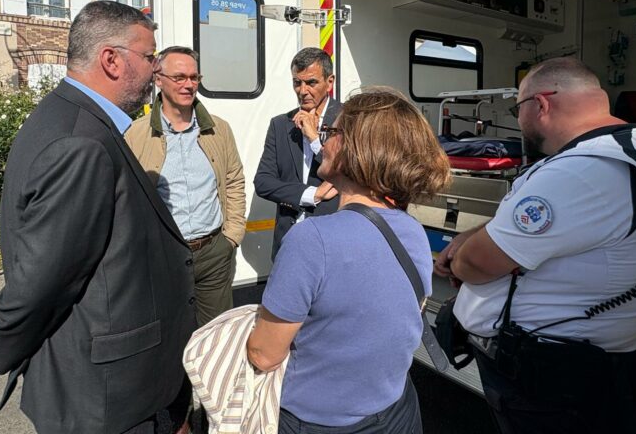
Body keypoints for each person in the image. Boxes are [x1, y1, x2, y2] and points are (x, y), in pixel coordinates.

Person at [0, 1, 197, 434]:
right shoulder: (81, 142)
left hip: (109, 385)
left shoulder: (70, 117)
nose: (155, 70)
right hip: (105, 397)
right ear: (111, 60)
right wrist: (3, 342)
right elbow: (45, 278)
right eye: (150, 56)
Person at [434, 57, 636, 434]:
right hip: (595, 366)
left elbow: (476, 264)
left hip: (553, 380)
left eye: (518, 109)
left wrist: (460, 259)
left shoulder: (581, 170)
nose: (518, 120)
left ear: (540, 105)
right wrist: (469, 238)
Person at [247, 88, 451, 433]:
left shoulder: (311, 239)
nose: (322, 142)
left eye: (330, 133)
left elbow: (264, 355)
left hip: (318, 420)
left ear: (359, 149)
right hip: (396, 410)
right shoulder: (414, 231)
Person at [126, 45, 246, 434]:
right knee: (172, 346)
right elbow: (128, 199)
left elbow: (233, 182)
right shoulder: (138, 134)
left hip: (213, 251)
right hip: (165, 258)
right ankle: (179, 421)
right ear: (158, 80)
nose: (189, 85)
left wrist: (231, 236)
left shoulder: (218, 129)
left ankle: (219, 420)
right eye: (179, 77)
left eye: (194, 77)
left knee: (220, 344)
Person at [254, 47, 342, 260]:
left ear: (329, 82)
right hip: (289, 241)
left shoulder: (349, 119)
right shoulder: (280, 124)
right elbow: (263, 182)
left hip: (332, 242)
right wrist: (312, 195)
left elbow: (348, 173)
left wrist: (314, 140)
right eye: (297, 82)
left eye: (311, 82)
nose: (303, 90)